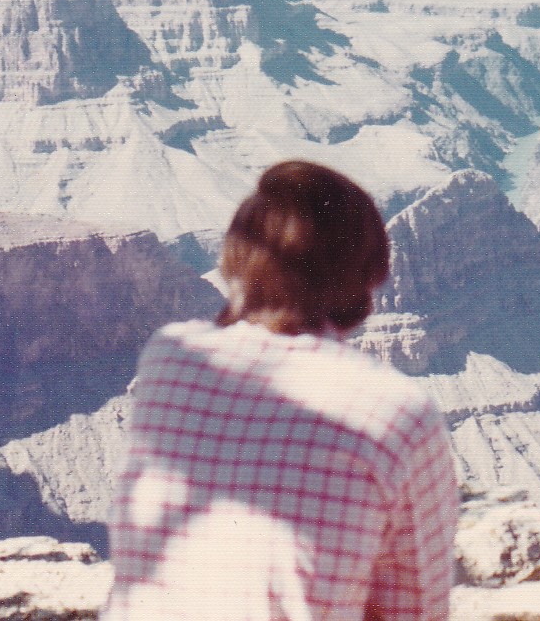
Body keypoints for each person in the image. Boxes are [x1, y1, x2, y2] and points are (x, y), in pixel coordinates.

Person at [103, 161, 457, 621]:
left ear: (235, 258)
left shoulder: (167, 356)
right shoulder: (397, 411)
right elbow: (413, 611)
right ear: (366, 278)